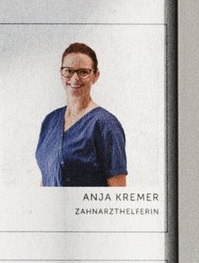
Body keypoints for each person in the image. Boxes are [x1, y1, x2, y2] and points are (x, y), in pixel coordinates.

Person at [33, 42, 128, 187]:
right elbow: (46, 177)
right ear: (61, 73)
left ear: (95, 76)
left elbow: (118, 191)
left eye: (83, 72)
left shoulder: (105, 124)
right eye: (68, 71)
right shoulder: (50, 120)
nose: (75, 78)